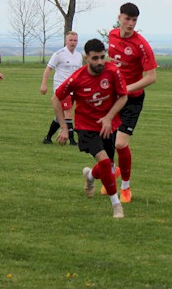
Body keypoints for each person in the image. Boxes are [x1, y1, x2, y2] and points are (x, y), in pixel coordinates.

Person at [54, 38, 128, 219]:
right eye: (95, 58)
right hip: (86, 126)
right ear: (86, 57)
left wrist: (109, 118)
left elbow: (123, 97)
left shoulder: (113, 72)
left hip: (108, 126)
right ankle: (116, 205)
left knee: (108, 167)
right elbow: (56, 98)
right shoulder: (77, 78)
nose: (100, 62)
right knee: (104, 162)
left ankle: (89, 176)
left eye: (103, 57)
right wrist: (64, 127)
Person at [106, 2, 157, 204]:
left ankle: (125, 186)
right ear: (119, 17)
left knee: (120, 143)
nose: (130, 24)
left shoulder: (141, 45)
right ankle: (111, 174)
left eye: (134, 20)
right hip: (113, 98)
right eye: (127, 19)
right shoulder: (111, 35)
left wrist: (127, 89)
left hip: (132, 99)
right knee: (107, 141)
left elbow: (152, 77)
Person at [40, 31, 83, 145]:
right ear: (66, 41)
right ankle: (72, 140)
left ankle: (48, 137)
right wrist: (44, 85)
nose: (73, 42)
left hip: (74, 88)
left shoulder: (79, 55)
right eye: (70, 40)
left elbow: (79, 73)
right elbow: (48, 69)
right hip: (62, 88)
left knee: (61, 115)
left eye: (75, 40)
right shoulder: (59, 54)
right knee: (68, 112)